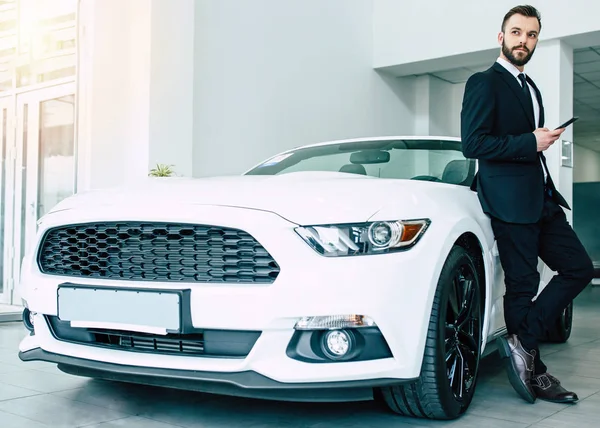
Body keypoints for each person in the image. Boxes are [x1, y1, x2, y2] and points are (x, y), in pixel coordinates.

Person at [460, 5, 595, 404]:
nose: (524, 40)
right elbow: (474, 143)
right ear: (501, 37)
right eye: (516, 32)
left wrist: (538, 141)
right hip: (508, 200)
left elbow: (521, 143)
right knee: (523, 284)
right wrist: (529, 142)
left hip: (541, 197)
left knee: (579, 268)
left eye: (532, 34)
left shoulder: (530, 87)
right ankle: (533, 371)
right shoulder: (484, 82)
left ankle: (521, 341)